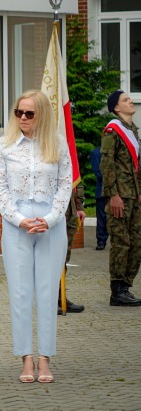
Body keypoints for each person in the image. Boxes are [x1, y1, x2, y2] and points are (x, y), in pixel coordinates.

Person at [0, 89, 72, 384]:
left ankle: (45, 358)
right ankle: (26, 358)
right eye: (18, 112)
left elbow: (65, 185)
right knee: (21, 293)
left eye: (29, 113)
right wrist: (19, 219)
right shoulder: (5, 145)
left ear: (43, 115)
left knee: (48, 294)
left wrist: (50, 220)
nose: (23, 118)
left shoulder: (58, 144)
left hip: (51, 225)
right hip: (17, 225)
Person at [99, 90, 141, 307]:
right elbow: (106, 165)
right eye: (125, 100)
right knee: (121, 243)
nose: (130, 101)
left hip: (134, 196)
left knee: (136, 242)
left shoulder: (133, 130)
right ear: (116, 107)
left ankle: (126, 286)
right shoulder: (112, 131)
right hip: (120, 197)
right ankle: (117, 291)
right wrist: (113, 195)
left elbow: (136, 166)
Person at [60, 186, 85, 314]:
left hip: (70, 211)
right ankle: (53, 298)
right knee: (54, 258)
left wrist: (79, 207)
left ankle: (60, 297)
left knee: (64, 256)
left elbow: (77, 182)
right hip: (56, 212)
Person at [90, 146, 108, 250]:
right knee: (102, 217)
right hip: (102, 190)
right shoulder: (96, 152)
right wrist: (112, 178)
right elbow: (97, 171)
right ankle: (101, 241)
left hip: (119, 191)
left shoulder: (117, 151)